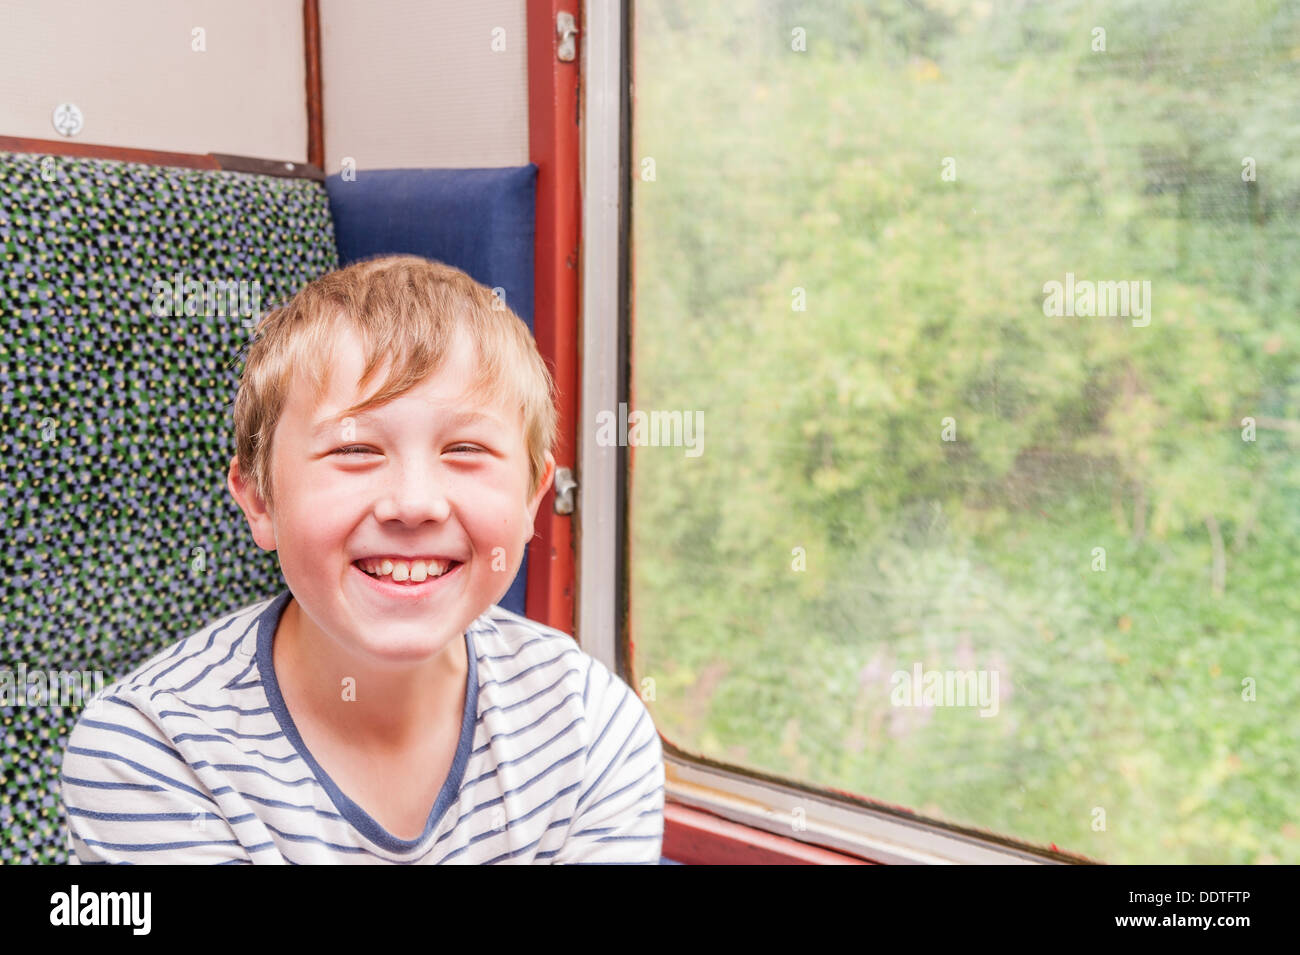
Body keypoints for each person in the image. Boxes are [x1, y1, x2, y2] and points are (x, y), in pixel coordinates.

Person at [60, 255, 664, 863]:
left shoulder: (590, 727)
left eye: (465, 448)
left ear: (532, 499)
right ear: (261, 502)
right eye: (354, 449)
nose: (414, 503)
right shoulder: (148, 753)